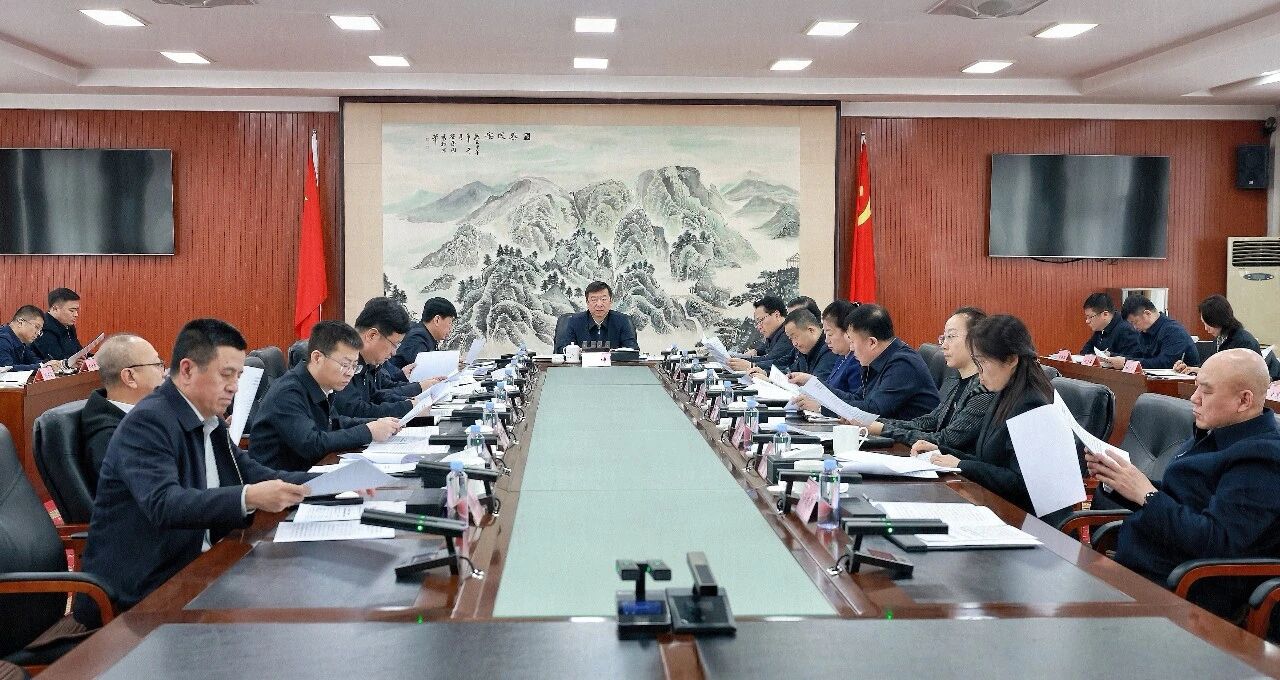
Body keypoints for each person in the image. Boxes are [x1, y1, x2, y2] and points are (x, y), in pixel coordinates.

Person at [73, 319, 316, 626]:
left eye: (238, 376)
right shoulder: (148, 422)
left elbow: (252, 472)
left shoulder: (207, 417)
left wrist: (331, 484)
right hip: (146, 587)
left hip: (199, 564)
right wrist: (248, 497)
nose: (234, 386)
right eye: (226, 374)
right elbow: (164, 503)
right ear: (187, 370)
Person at [1088, 349, 1280, 619]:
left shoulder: (1262, 457)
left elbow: (1217, 541)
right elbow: (1180, 497)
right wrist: (1118, 480)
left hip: (1186, 590)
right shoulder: (1217, 432)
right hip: (1143, 566)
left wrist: (1147, 495)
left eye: (1206, 391)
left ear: (1244, 400)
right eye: (1196, 386)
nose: (1194, 398)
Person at [924, 315, 1054, 514]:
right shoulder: (1005, 392)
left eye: (982, 362)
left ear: (1011, 359)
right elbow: (988, 461)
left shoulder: (1031, 403)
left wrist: (961, 465)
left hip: (1023, 517)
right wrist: (941, 450)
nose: (979, 373)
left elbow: (1021, 484)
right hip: (995, 504)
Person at [250, 321, 402, 472]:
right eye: (345, 365)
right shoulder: (287, 393)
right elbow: (312, 444)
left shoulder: (321, 384)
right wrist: (367, 432)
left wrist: (376, 424)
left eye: (354, 366)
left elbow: (334, 423)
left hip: (310, 472)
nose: (350, 373)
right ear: (317, 357)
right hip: (279, 481)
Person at [869, 307, 997, 456]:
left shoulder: (985, 389)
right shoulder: (954, 381)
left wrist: (882, 429)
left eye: (951, 336)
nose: (943, 345)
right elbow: (927, 422)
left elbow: (946, 440)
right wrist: (875, 423)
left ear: (976, 340)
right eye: (943, 338)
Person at [793, 304, 939, 420]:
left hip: (909, 442)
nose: (851, 348)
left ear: (872, 342)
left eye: (852, 341)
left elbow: (873, 411)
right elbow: (857, 398)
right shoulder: (877, 359)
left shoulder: (903, 364)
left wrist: (822, 408)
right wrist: (818, 389)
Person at [81, 334, 167, 486]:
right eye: (157, 364)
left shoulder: (145, 414)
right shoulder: (110, 438)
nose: (164, 373)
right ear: (130, 377)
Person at [333, 297, 420, 419]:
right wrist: (406, 407)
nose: (394, 353)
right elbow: (353, 410)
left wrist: (408, 402)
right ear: (372, 336)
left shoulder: (368, 362)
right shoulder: (340, 358)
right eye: (394, 344)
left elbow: (375, 396)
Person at [1100, 295, 1198, 370]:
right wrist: (1112, 357)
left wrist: (1126, 363)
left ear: (1147, 313)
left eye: (1135, 322)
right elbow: (1139, 356)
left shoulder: (1173, 331)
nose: (1134, 327)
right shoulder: (1144, 331)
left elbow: (1165, 363)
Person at [1174, 295, 1263, 375]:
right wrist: (1188, 368)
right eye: (1204, 323)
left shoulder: (1244, 342)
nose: (1206, 329)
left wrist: (1202, 371)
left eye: (1208, 324)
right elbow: (1208, 365)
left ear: (1217, 320)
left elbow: (1236, 375)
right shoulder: (1220, 339)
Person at [801, 300, 862, 400]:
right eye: (825, 334)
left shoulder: (857, 361)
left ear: (848, 331)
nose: (826, 340)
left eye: (830, 334)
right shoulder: (842, 356)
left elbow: (855, 401)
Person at [553, 281, 637, 352]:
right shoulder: (574, 321)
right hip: (581, 366)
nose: (599, 304)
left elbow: (632, 351)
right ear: (587, 302)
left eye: (603, 299)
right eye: (594, 300)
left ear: (610, 301)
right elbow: (562, 350)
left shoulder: (623, 321)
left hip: (614, 366)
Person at [728, 295, 794, 373]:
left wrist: (749, 364)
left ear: (776, 315)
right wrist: (755, 351)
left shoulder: (788, 334)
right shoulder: (775, 334)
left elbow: (773, 360)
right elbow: (764, 349)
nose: (758, 327)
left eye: (760, 320)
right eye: (757, 323)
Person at [390, 297, 457, 372]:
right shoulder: (417, 339)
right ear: (437, 320)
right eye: (450, 323)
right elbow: (423, 372)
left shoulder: (425, 335)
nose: (451, 328)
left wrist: (453, 363)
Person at [778, 309, 837, 384]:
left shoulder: (830, 348)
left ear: (811, 330)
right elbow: (792, 371)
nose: (794, 343)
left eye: (795, 337)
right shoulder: (805, 350)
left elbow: (820, 385)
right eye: (791, 339)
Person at [0, 305, 64, 372]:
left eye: (40, 330)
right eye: (36, 327)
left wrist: (50, 364)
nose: (38, 333)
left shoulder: (22, 343)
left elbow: (33, 360)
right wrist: (41, 366)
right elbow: (6, 369)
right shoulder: (2, 339)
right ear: (20, 323)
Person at [1079, 292, 1140, 358]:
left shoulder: (1126, 330)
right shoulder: (1100, 328)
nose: (1087, 321)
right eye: (1086, 317)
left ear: (1105, 314)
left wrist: (1109, 356)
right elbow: (1084, 352)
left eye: (1090, 317)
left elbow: (1131, 359)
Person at [32, 287, 84, 363]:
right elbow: (57, 360)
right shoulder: (43, 328)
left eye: (76, 310)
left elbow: (79, 352)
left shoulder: (68, 326)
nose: (76, 314)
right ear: (55, 309)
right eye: (71, 310)